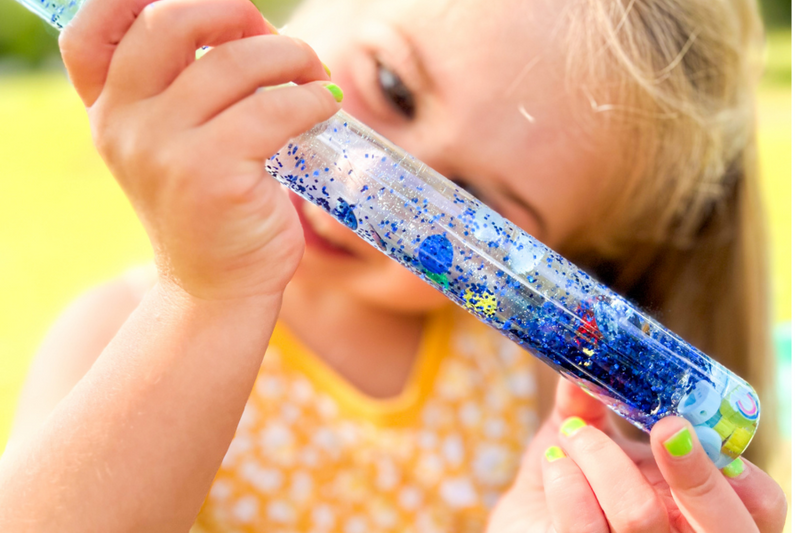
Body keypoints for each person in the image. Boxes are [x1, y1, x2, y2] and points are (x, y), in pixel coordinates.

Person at [0, 0, 787, 531]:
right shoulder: (116, 337)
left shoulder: (532, 406)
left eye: (478, 207)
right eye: (391, 87)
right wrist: (207, 294)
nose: (367, 183)